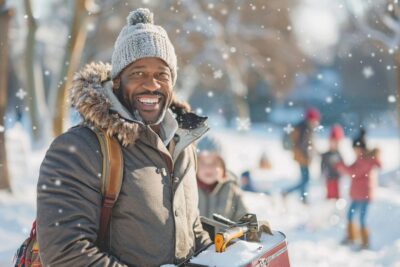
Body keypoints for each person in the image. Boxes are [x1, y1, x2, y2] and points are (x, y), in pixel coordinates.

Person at [36, 8, 211, 266]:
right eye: (138, 73)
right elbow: (65, 252)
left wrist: (224, 256)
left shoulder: (182, 144)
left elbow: (190, 230)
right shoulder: (78, 149)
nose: (151, 84)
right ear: (117, 81)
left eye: (161, 74)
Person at [337, 129, 381, 249]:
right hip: (356, 195)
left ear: (361, 149)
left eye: (355, 149)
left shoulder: (366, 161)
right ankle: (351, 237)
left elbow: (353, 172)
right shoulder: (359, 159)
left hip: (364, 195)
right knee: (350, 216)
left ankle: (365, 242)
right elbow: (351, 168)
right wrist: (342, 165)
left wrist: (341, 166)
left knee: (362, 219)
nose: (354, 152)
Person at [196, 137, 249, 222]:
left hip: (223, 235)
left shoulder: (231, 189)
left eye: (214, 163)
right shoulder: (189, 188)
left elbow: (244, 218)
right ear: (195, 165)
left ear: (223, 167)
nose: (208, 168)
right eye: (203, 162)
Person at [282, 107, 320, 204]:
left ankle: (303, 198)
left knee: (304, 179)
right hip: (303, 158)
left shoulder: (302, 127)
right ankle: (288, 192)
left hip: (301, 157)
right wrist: (310, 154)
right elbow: (305, 144)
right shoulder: (306, 129)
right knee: (305, 180)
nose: (316, 122)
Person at [320, 124, 344, 199]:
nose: (334, 144)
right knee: (330, 193)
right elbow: (322, 165)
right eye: (333, 142)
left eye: (336, 142)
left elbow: (343, 165)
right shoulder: (326, 154)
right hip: (329, 177)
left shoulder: (339, 154)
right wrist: (322, 172)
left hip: (337, 177)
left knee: (337, 194)